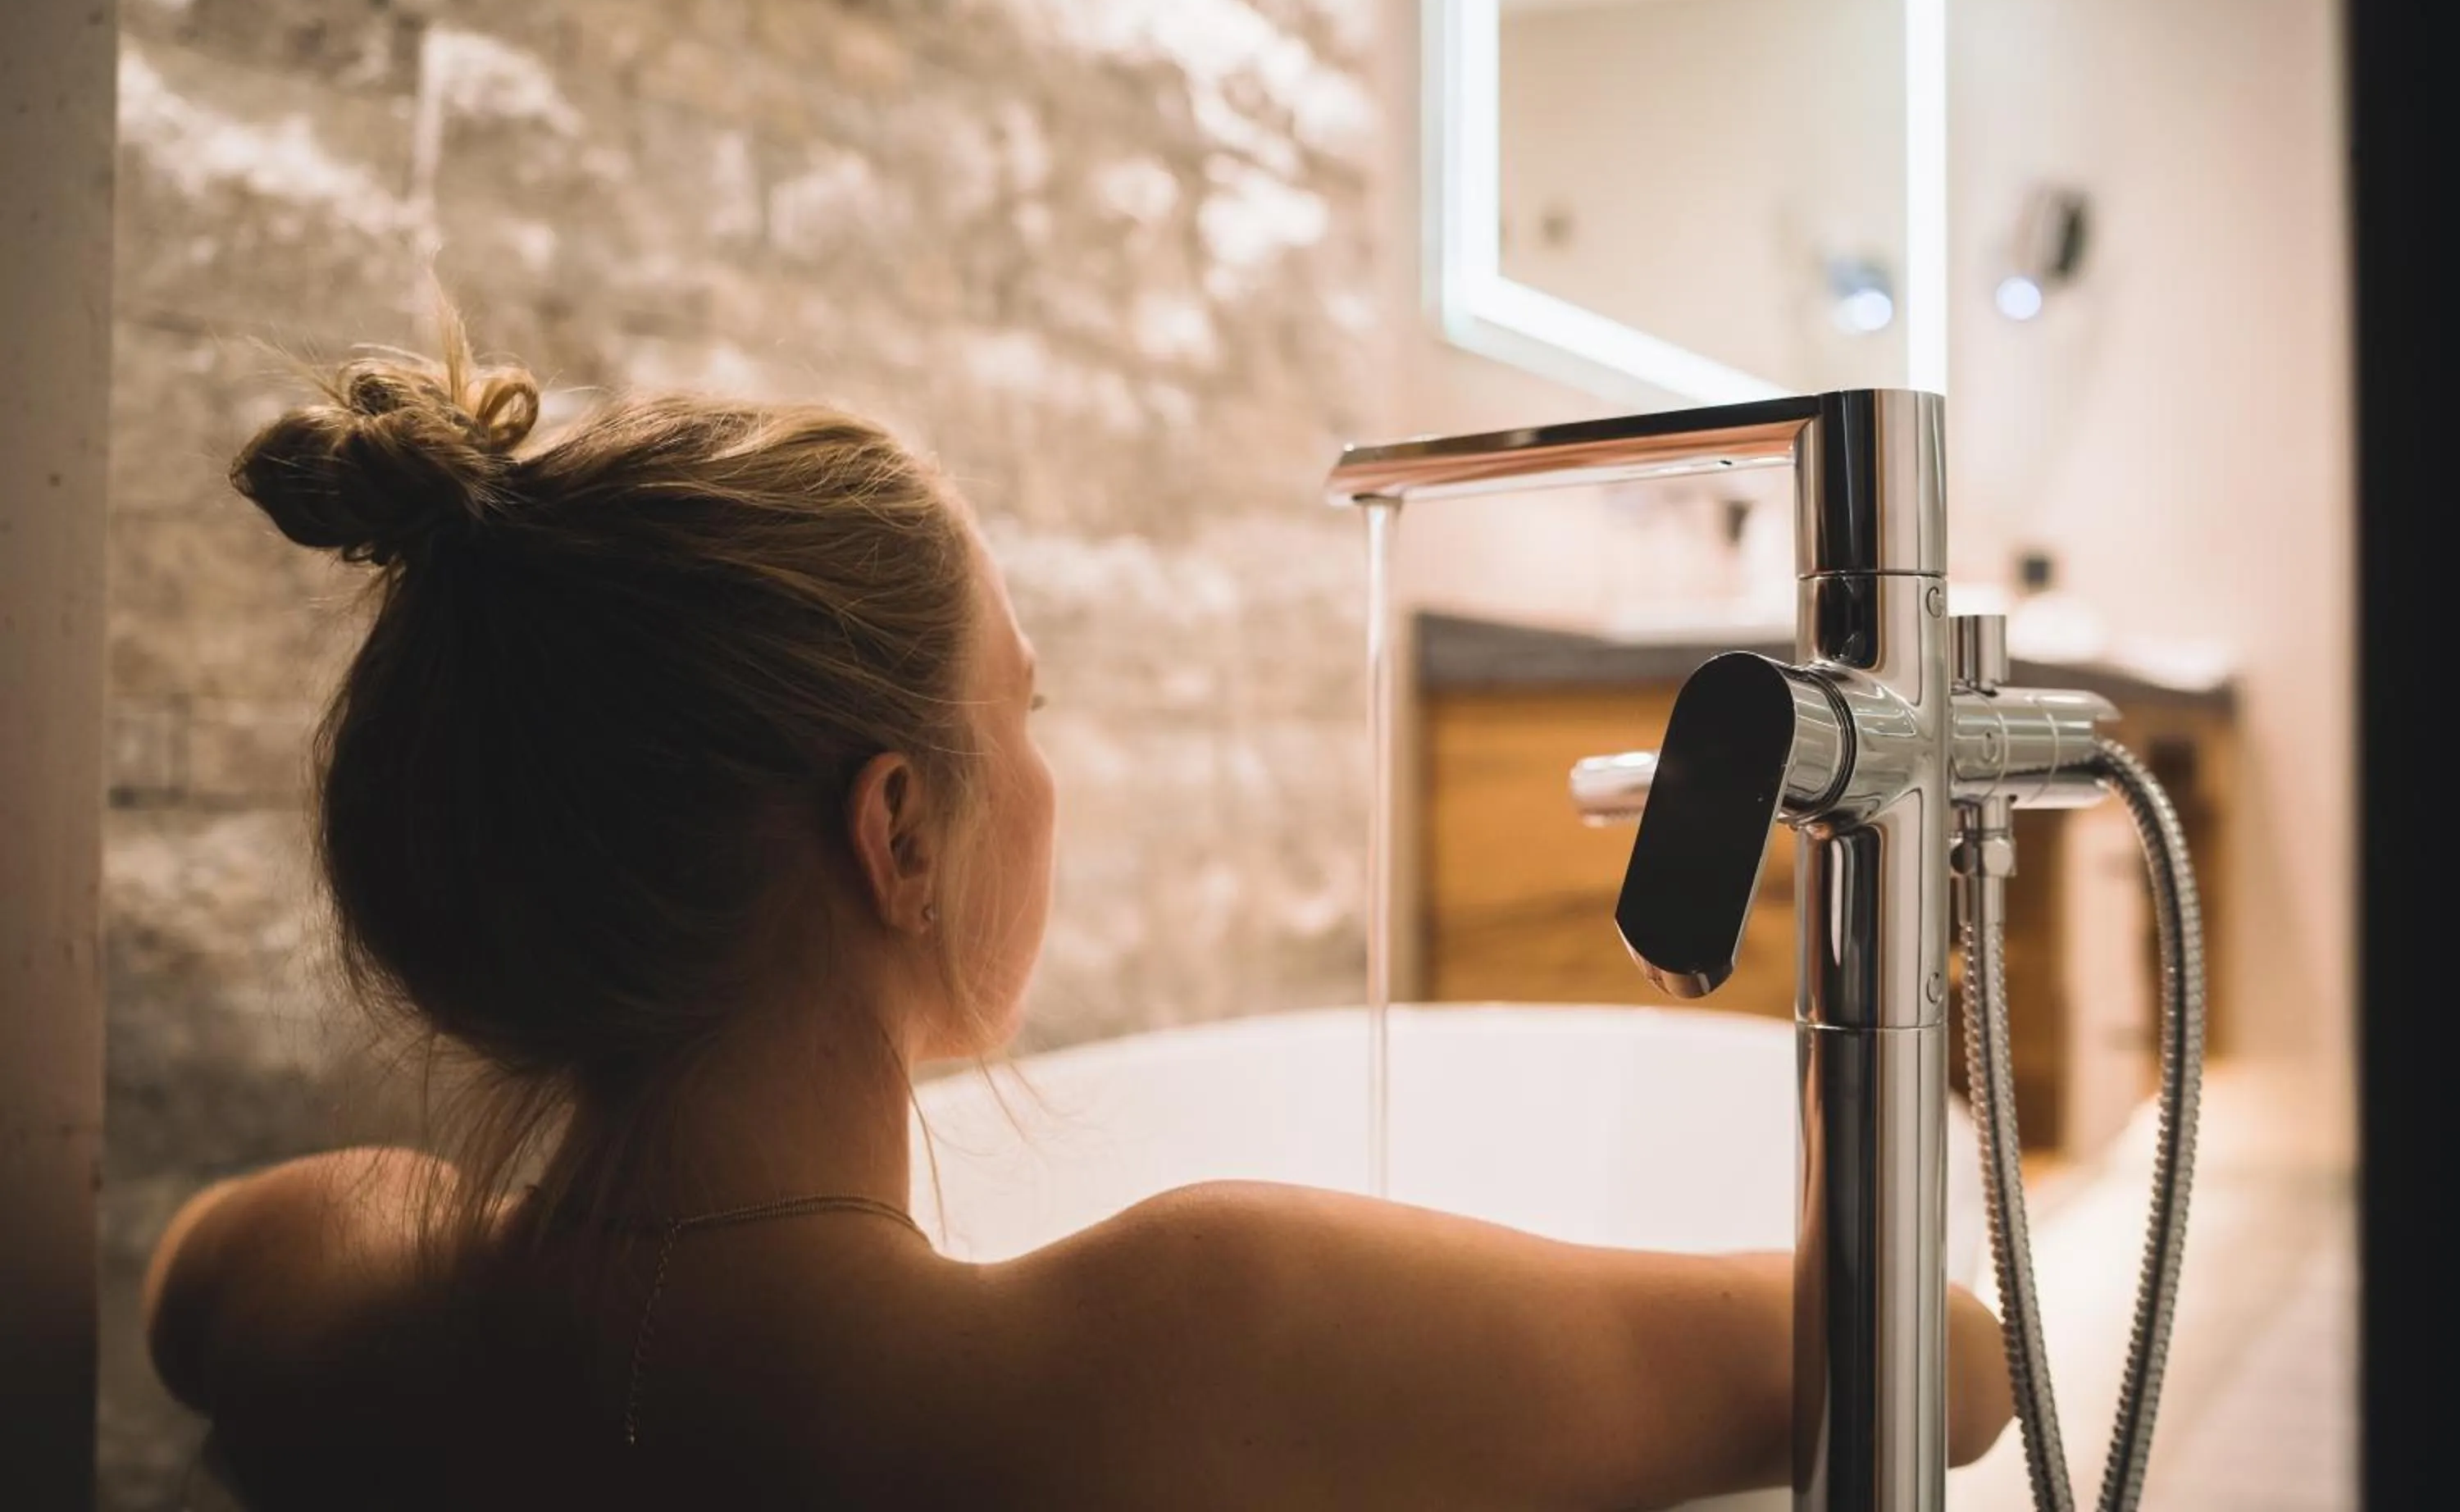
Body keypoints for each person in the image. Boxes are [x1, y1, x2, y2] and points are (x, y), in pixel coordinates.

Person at [144, 311, 2013, 1509]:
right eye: (1017, 710)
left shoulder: (319, 1281)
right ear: (899, 836)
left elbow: (211, 1273)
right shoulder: (1200, 1340)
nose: (1046, 769)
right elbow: (1932, 1360)